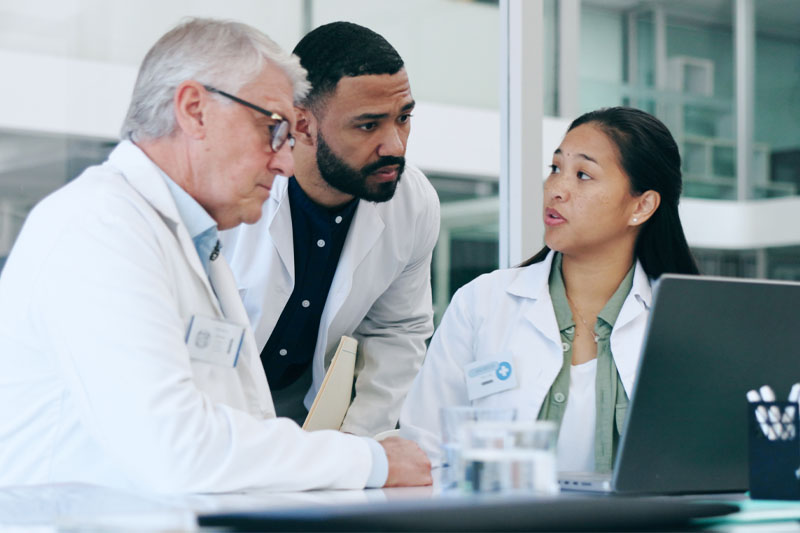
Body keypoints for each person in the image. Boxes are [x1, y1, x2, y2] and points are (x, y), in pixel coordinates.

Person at [0, 18, 430, 493]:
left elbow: (239, 428)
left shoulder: (193, 241)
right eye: (273, 128)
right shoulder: (97, 226)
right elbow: (175, 446)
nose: (286, 161)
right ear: (194, 110)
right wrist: (370, 461)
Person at [399, 107, 699, 474]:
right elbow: (425, 452)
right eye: (555, 168)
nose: (556, 189)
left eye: (583, 175)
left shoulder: (683, 323)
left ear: (641, 205)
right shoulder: (482, 303)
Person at [221, 21, 440, 436]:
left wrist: (357, 445)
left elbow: (398, 330)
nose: (395, 145)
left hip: (309, 418)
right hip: (211, 412)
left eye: (404, 117)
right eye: (368, 125)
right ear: (302, 125)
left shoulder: (413, 202)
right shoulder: (234, 189)